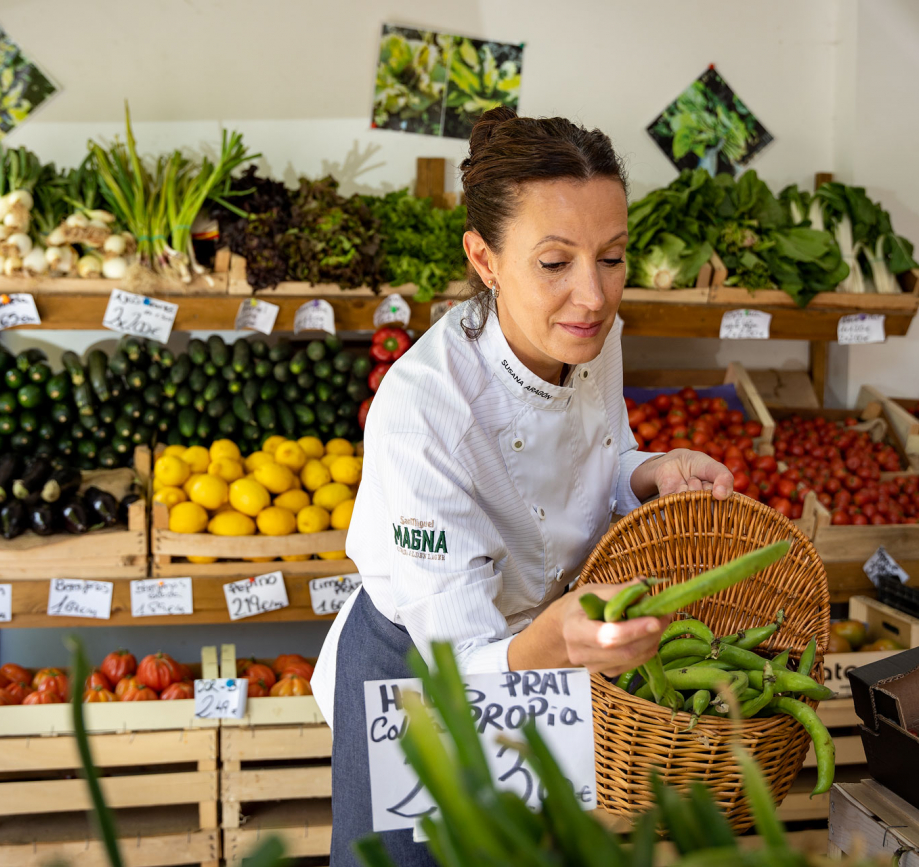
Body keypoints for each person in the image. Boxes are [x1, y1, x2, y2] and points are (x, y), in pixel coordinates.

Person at [310, 107, 734, 866]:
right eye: (554, 263)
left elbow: (594, 451)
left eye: (612, 257)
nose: (594, 296)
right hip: (421, 663)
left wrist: (648, 468)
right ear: (484, 258)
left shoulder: (592, 338)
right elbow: (465, 650)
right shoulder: (424, 410)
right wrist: (550, 645)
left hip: (541, 643)